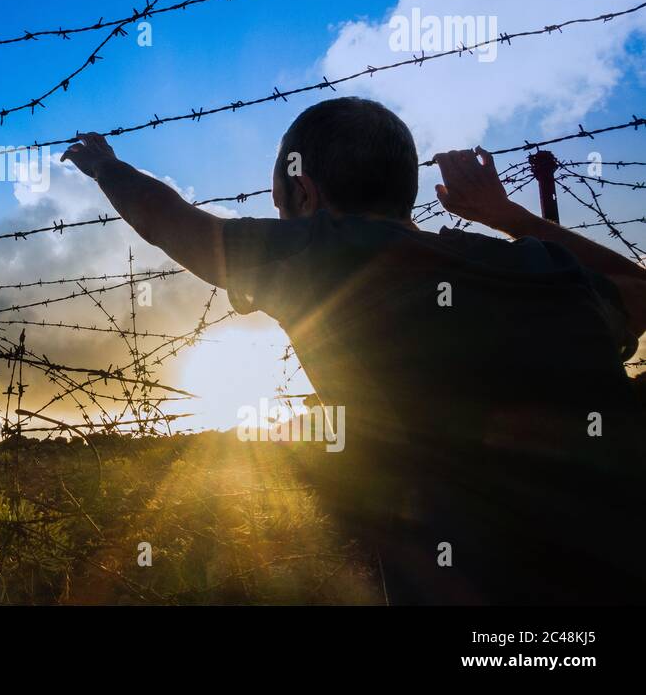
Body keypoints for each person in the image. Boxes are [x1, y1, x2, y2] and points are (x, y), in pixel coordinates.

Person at [62, 96, 646, 604]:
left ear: (304, 194)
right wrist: (510, 217)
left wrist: (107, 169)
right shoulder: (536, 264)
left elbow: (174, 224)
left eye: (281, 205)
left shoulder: (320, 253)